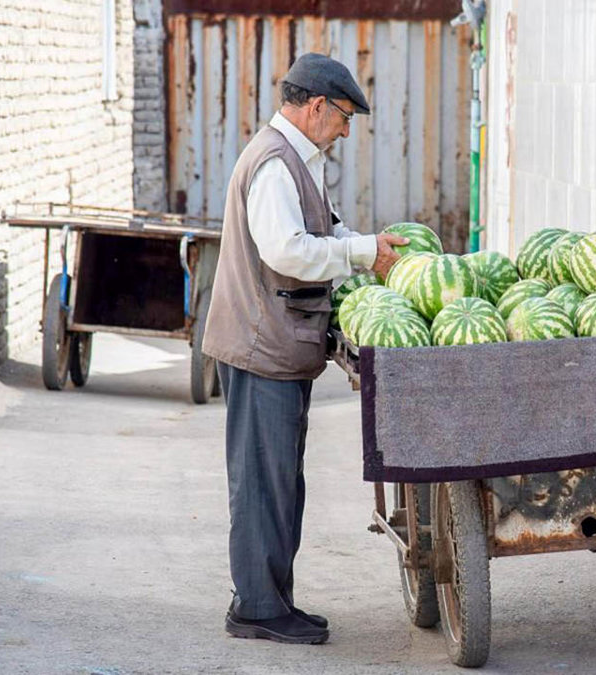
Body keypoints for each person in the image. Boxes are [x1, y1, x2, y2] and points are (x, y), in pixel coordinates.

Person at [200, 52, 407, 645]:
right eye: (344, 118)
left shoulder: (302, 160)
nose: (346, 131)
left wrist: (369, 249)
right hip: (260, 345)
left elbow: (328, 231)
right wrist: (358, 253)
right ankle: (258, 609)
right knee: (262, 482)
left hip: (281, 346)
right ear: (317, 106)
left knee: (282, 480)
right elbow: (287, 251)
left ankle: (273, 599)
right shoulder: (273, 163)